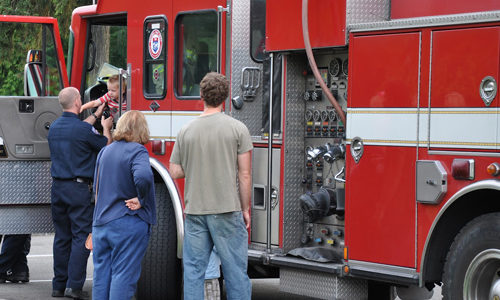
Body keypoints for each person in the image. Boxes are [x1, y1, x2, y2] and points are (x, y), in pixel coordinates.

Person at [170, 72, 253, 300]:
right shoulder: (238, 129)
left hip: (195, 211)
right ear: (225, 96)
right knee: (236, 273)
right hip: (227, 210)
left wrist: (197, 165)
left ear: (201, 95)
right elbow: (244, 174)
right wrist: (245, 210)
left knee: (194, 273)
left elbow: (174, 170)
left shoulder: (186, 130)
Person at [48, 87, 113, 299]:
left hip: (58, 188)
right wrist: (106, 127)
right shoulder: (84, 130)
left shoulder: (55, 127)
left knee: (62, 237)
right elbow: (105, 148)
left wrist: (94, 115)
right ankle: (74, 286)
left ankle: (58, 285)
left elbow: (78, 132)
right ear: (78, 101)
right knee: (81, 237)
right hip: (78, 189)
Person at [92, 110, 156, 300]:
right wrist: (141, 199)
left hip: (101, 223)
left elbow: (96, 187)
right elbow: (143, 176)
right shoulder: (138, 151)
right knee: (123, 276)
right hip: (127, 222)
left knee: (101, 276)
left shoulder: (105, 151)